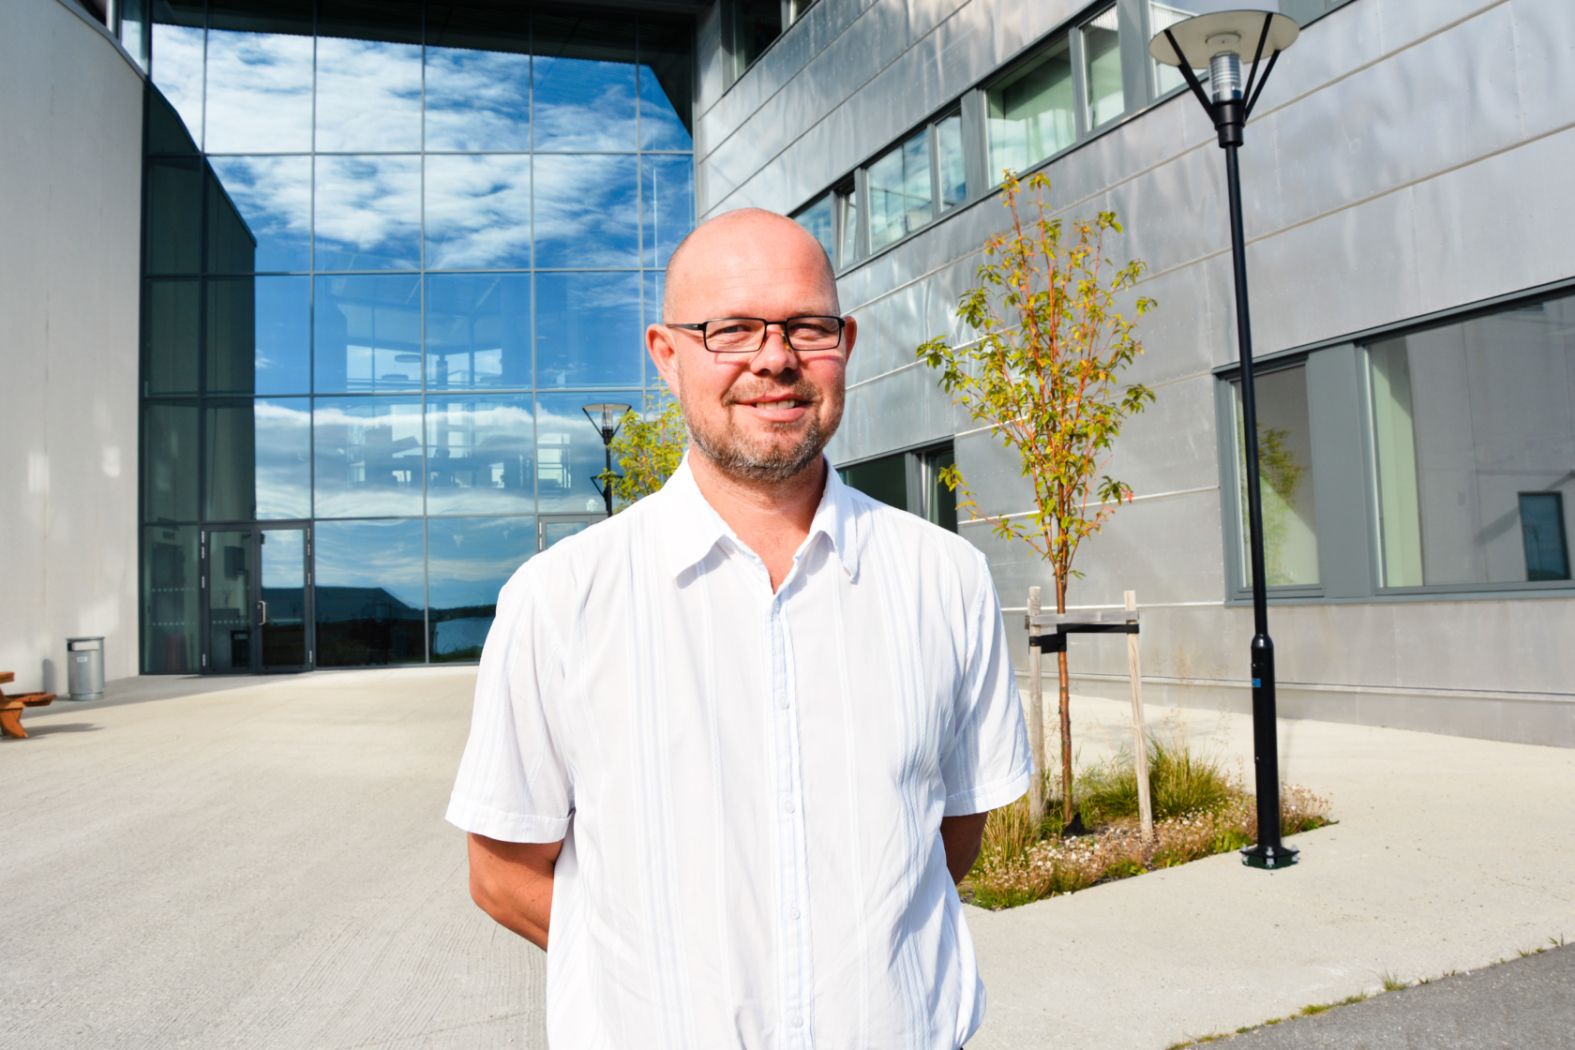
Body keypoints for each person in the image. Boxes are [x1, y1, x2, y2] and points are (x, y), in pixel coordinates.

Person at [446, 208, 1030, 1049]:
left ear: (844, 343)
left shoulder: (944, 579)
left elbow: (951, 829)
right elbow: (502, 874)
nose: (775, 357)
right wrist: (665, 994)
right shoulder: (559, 599)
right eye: (731, 329)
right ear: (666, 354)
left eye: (806, 327)